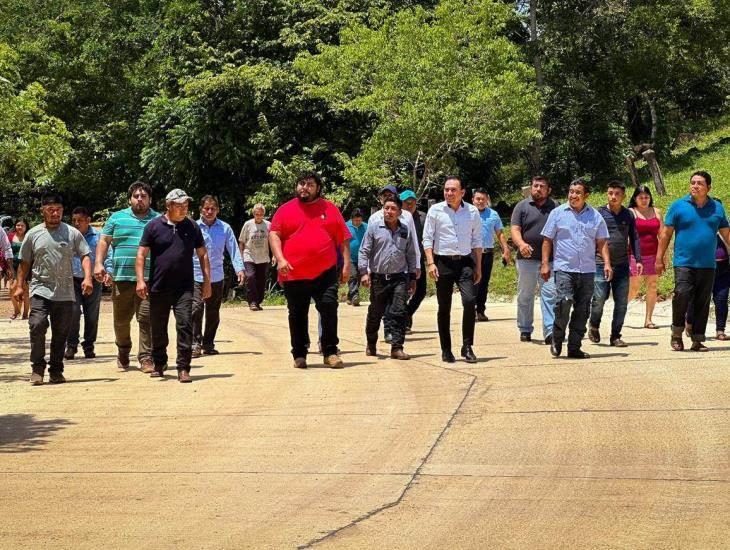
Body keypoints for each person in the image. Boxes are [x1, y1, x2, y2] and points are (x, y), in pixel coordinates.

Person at [269, 172, 350, 369]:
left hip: (325, 271)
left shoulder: (329, 208)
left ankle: (330, 352)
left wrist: (346, 265)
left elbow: (343, 238)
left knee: (329, 307)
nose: (304, 187)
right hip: (294, 273)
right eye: (301, 183)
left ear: (317, 188)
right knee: (297, 313)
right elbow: (274, 234)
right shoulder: (285, 210)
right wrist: (280, 259)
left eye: (310, 184)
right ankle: (299, 353)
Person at [15, 193, 92, 385]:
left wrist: (88, 277)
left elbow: (85, 255)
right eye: (50, 209)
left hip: (65, 291)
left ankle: (56, 370)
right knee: (37, 324)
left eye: (58, 209)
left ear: (62, 210)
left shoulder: (71, 233)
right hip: (40, 289)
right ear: (43, 211)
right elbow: (24, 263)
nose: (54, 213)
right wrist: (18, 286)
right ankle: (37, 368)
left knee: (61, 332)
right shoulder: (33, 234)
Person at [136, 189, 211, 382]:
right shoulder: (153, 226)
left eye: (186, 205)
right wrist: (140, 280)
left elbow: (203, 254)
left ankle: (183, 368)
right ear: (168, 206)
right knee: (158, 327)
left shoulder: (192, 226)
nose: (184, 209)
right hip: (159, 287)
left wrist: (207, 281)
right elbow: (141, 254)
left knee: (185, 325)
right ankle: (159, 363)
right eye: (180, 205)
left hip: (184, 288)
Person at [657, 171, 730, 352]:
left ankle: (697, 339)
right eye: (693, 182)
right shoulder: (678, 206)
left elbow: (726, 234)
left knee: (702, 301)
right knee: (681, 294)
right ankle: (676, 333)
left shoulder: (717, 208)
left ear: (708, 188)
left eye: (700, 183)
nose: (695, 186)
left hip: (708, 264)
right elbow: (666, 234)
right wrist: (659, 258)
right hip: (683, 262)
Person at [541, 178, 610, 359]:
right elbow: (547, 240)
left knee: (582, 309)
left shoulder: (596, 216)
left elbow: (601, 242)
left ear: (586, 195)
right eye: (571, 192)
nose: (573, 195)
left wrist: (607, 263)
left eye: (578, 192)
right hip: (564, 268)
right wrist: (545, 263)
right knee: (564, 302)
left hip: (587, 270)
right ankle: (557, 338)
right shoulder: (557, 213)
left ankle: (574, 347)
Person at [95, 181, 158, 372]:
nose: (140, 199)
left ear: (150, 199)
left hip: (148, 279)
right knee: (121, 321)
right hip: (122, 278)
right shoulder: (116, 218)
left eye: (144, 196)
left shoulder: (158, 220)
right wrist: (99, 263)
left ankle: (146, 357)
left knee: (146, 319)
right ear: (130, 199)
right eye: (136, 196)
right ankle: (123, 350)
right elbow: (104, 241)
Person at [423, 176, 483, 363]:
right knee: (444, 307)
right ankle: (446, 349)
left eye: (453, 190)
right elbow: (427, 238)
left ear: (462, 192)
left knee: (469, 301)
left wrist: (478, 266)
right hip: (443, 263)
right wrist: (431, 263)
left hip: (465, 262)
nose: (449, 193)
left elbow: (477, 240)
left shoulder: (472, 212)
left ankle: (467, 346)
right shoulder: (435, 210)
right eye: (446, 190)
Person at [358, 195, 417, 359]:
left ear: (400, 212)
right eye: (386, 208)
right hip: (378, 278)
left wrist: (412, 276)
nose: (389, 212)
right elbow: (364, 251)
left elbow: (410, 254)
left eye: (393, 209)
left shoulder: (405, 230)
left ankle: (397, 348)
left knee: (399, 311)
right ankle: (371, 343)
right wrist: (363, 273)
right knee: (376, 312)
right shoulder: (374, 228)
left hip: (399, 277)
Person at [588, 181, 642, 347]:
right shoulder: (598, 213)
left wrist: (638, 259)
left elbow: (634, 237)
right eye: (610, 193)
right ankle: (594, 325)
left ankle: (615, 335)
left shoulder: (628, 215)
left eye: (617, 194)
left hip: (622, 264)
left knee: (621, 302)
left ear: (623, 196)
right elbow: (591, 237)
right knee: (599, 298)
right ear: (607, 193)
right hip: (600, 263)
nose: (613, 196)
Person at [192, 195, 244, 358]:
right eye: (206, 208)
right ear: (201, 209)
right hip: (195, 274)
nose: (209, 212)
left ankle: (208, 344)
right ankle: (195, 344)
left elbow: (233, 249)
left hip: (216, 275)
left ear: (218, 210)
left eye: (212, 209)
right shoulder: (193, 226)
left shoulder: (225, 228)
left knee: (213, 312)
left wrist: (239, 269)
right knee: (195, 309)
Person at [510, 176, 558, 343]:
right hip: (526, 260)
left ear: (548, 190)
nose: (538, 189)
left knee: (550, 294)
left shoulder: (556, 207)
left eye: (542, 186)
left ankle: (550, 331)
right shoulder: (521, 207)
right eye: (535, 186)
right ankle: (525, 328)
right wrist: (521, 244)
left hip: (550, 260)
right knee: (525, 295)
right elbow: (515, 229)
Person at [373, 185, 420, 343]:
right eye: (384, 195)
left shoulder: (407, 216)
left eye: (390, 194)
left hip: (402, 269)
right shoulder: (374, 218)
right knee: (382, 304)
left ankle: (397, 338)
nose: (387, 197)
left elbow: (412, 245)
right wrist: (366, 270)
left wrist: (416, 266)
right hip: (380, 271)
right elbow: (368, 247)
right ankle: (387, 331)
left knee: (398, 303)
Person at [65, 207, 105, 359]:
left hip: (94, 281)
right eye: (74, 221)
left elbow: (106, 255)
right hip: (72, 280)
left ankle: (89, 346)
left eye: (80, 220)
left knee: (92, 315)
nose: (76, 223)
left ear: (88, 220)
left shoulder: (98, 237)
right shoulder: (67, 236)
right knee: (73, 313)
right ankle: (71, 346)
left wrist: (107, 272)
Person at [472, 188, 511, 322]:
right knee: (471, 282)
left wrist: (506, 250)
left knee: (483, 283)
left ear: (487, 199)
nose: (480, 201)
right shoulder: (467, 213)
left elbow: (499, 233)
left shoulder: (493, 214)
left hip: (487, 253)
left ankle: (480, 311)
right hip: (470, 254)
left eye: (483, 199)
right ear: (473, 200)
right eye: (478, 199)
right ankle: (470, 309)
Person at [627, 185, 663, 329]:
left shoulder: (657, 212)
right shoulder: (631, 212)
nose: (643, 200)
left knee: (652, 286)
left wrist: (662, 256)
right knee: (634, 286)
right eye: (640, 197)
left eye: (646, 197)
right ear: (635, 198)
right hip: (635, 255)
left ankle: (648, 319)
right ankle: (620, 311)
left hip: (653, 254)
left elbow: (662, 235)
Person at [686, 234, 730, 340]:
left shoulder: (725, 229)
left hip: (723, 268)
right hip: (703, 267)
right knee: (698, 299)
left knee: (721, 299)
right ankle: (690, 322)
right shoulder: (702, 228)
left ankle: (720, 330)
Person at [400, 190, 427, 333]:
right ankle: (401, 321)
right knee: (402, 292)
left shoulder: (423, 217)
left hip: (418, 260)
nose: (410, 205)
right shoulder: (397, 217)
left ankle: (407, 313)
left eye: (412, 202)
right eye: (406, 202)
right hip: (401, 261)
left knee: (421, 291)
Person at [238, 203, 271, 311]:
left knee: (261, 280)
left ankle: (258, 301)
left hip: (263, 256)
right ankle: (252, 302)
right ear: (253, 214)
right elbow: (242, 241)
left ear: (264, 214)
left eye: (261, 214)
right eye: (257, 214)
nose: (259, 216)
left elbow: (273, 241)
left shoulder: (268, 225)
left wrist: (275, 255)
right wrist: (240, 256)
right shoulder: (248, 224)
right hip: (249, 255)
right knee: (250, 276)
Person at [9, 219, 30, 320]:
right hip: (13, 266)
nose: (20, 227)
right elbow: (6, 251)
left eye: (22, 225)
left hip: (26, 266)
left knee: (26, 291)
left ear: (26, 227)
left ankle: (25, 314)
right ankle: (17, 310)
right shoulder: (10, 236)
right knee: (12, 290)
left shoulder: (29, 237)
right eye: (18, 225)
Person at [345, 208, 367, 306]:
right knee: (352, 275)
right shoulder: (346, 226)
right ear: (351, 219)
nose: (358, 222)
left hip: (362, 257)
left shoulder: (366, 226)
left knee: (358, 277)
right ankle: (355, 296)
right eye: (355, 220)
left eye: (359, 220)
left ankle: (350, 296)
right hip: (349, 256)